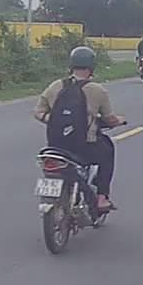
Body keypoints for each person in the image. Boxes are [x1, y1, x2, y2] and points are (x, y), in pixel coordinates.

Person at [33, 46, 126, 214]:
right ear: (91, 67)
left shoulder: (55, 86)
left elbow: (38, 112)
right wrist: (119, 121)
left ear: (71, 65)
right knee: (107, 151)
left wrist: (54, 120)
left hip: (56, 147)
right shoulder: (97, 90)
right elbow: (109, 119)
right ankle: (102, 197)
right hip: (84, 147)